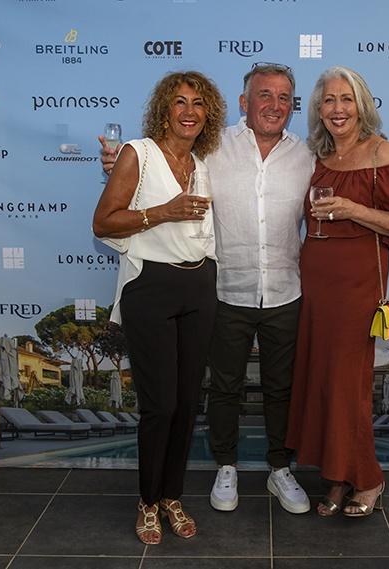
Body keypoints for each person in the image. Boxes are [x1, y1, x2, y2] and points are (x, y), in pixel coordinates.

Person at [101, 63, 314, 516]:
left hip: (284, 289)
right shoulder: (213, 146)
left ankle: (280, 468)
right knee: (223, 388)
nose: (274, 105)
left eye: (284, 98)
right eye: (264, 95)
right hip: (224, 289)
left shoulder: (307, 154)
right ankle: (225, 465)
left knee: (281, 388)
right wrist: (118, 163)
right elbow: (159, 160)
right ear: (243, 102)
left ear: (293, 106)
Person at [93, 71, 226, 544]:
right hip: (150, 286)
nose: (189, 111)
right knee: (160, 405)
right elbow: (103, 223)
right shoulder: (139, 153)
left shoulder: (203, 163)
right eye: (179, 102)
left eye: (198, 103)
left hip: (199, 286)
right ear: (164, 110)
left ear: (208, 114)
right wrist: (163, 212)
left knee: (187, 404)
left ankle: (172, 496)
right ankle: (148, 501)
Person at [285, 66, 389, 517]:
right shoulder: (318, 156)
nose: (338, 108)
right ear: (318, 109)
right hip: (315, 283)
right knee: (323, 380)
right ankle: (336, 476)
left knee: (348, 384)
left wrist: (351, 209)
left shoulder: (382, 152)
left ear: (362, 105)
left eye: (346, 99)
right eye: (329, 100)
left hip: (357, 284)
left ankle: (368, 478)